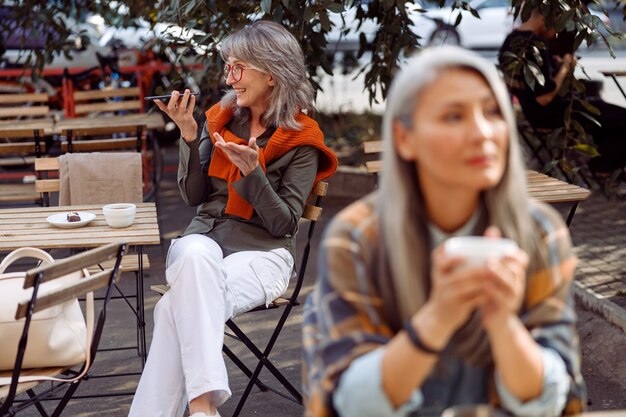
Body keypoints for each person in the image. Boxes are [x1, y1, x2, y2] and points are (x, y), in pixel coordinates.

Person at [302, 46, 586, 417]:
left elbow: (556, 401)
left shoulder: (538, 231)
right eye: (454, 116)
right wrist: (438, 317)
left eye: (492, 112)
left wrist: (503, 323)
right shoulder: (359, 236)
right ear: (404, 138)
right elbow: (350, 404)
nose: (483, 132)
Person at [128, 20, 337, 417]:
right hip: (203, 243)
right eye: (228, 66)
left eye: (238, 67)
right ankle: (203, 405)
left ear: (271, 74)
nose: (230, 77)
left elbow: (284, 225)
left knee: (173, 310)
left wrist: (253, 175)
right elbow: (194, 197)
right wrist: (190, 136)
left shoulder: (303, 138)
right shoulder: (222, 119)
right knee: (193, 256)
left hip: (264, 255)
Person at [498, 7, 626, 173]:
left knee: (607, 114)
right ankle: (602, 167)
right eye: (557, 23)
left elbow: (533, 85)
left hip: (535, 112)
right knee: (622, 118)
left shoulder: (511, 40)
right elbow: (543, 97)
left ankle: (602, 167)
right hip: (550, 113)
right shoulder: (535, 45)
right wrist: (565, 67)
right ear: (547, 18)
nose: (558, 29)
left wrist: (556, 67)